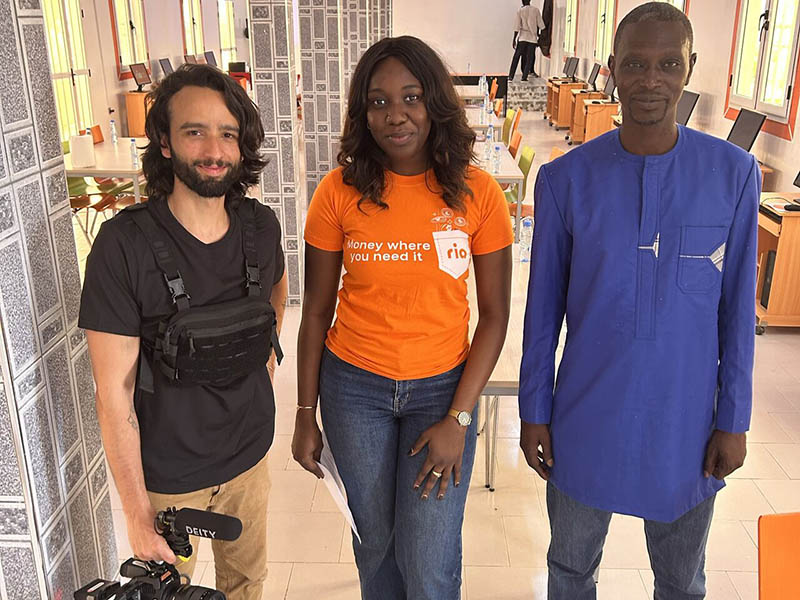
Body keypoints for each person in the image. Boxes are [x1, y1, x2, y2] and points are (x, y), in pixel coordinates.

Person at [519, 4, 757, 599]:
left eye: (669, 63)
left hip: (685, 419)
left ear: (690, 69)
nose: (651, 79)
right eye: (635, 64)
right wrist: (534, 410)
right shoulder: (566, 179)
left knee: (681, 580)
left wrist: (734, 420)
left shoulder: (732, 175)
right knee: (570, 570)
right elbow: (542, 313)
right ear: (612, 71)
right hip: (585, 414)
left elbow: (736, 314)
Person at [292, 36, 513, 600]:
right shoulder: (338, 193)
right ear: (362, 113)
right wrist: (303, 412)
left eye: (411, 97)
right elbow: (315, 311)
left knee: (432, 555)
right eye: (379, 101)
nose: (396, 115)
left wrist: (459, 419)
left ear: (435, 102)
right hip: (354, 389)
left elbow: (494, 316)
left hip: (442, 390)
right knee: (375, 545)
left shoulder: (478, 194)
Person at [79, 64, 287, 600]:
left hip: (249, 458)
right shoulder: (123, 246)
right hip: (171, 477)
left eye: (228, 134)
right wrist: (135, 511)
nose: (213, 149)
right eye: (195, 131)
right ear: (166, 144)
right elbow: (114, 395)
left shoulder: (261, 227)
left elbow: (279, 291)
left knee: (248, 583)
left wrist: (260, 364)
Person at [509, 0, 545, 81]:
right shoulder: (535, 10)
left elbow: (517, 26)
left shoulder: (520, 11)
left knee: (516, 57)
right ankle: (524, 77)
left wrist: (514, 39)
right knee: (530, 58)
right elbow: (541, 25)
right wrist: (539, 36)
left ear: (522, 2)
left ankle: (511, 75)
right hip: (532, 38)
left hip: (522, 37)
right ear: (529, 1)